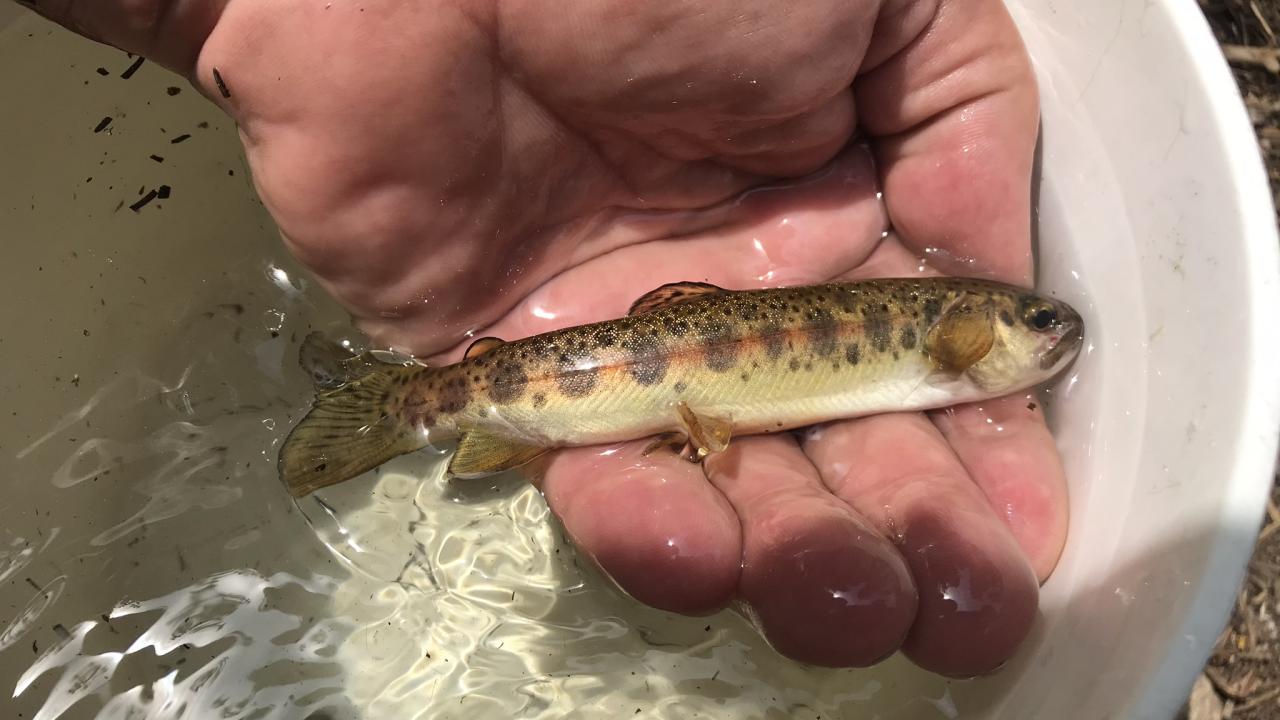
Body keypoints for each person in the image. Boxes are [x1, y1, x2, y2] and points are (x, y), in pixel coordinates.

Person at [20, 0, 1069, 677]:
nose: (1045, 334)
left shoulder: (929, 331)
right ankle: (399, 404)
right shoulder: (940, 331)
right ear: (974, 337)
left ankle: (404, 403)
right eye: (1030, 326)